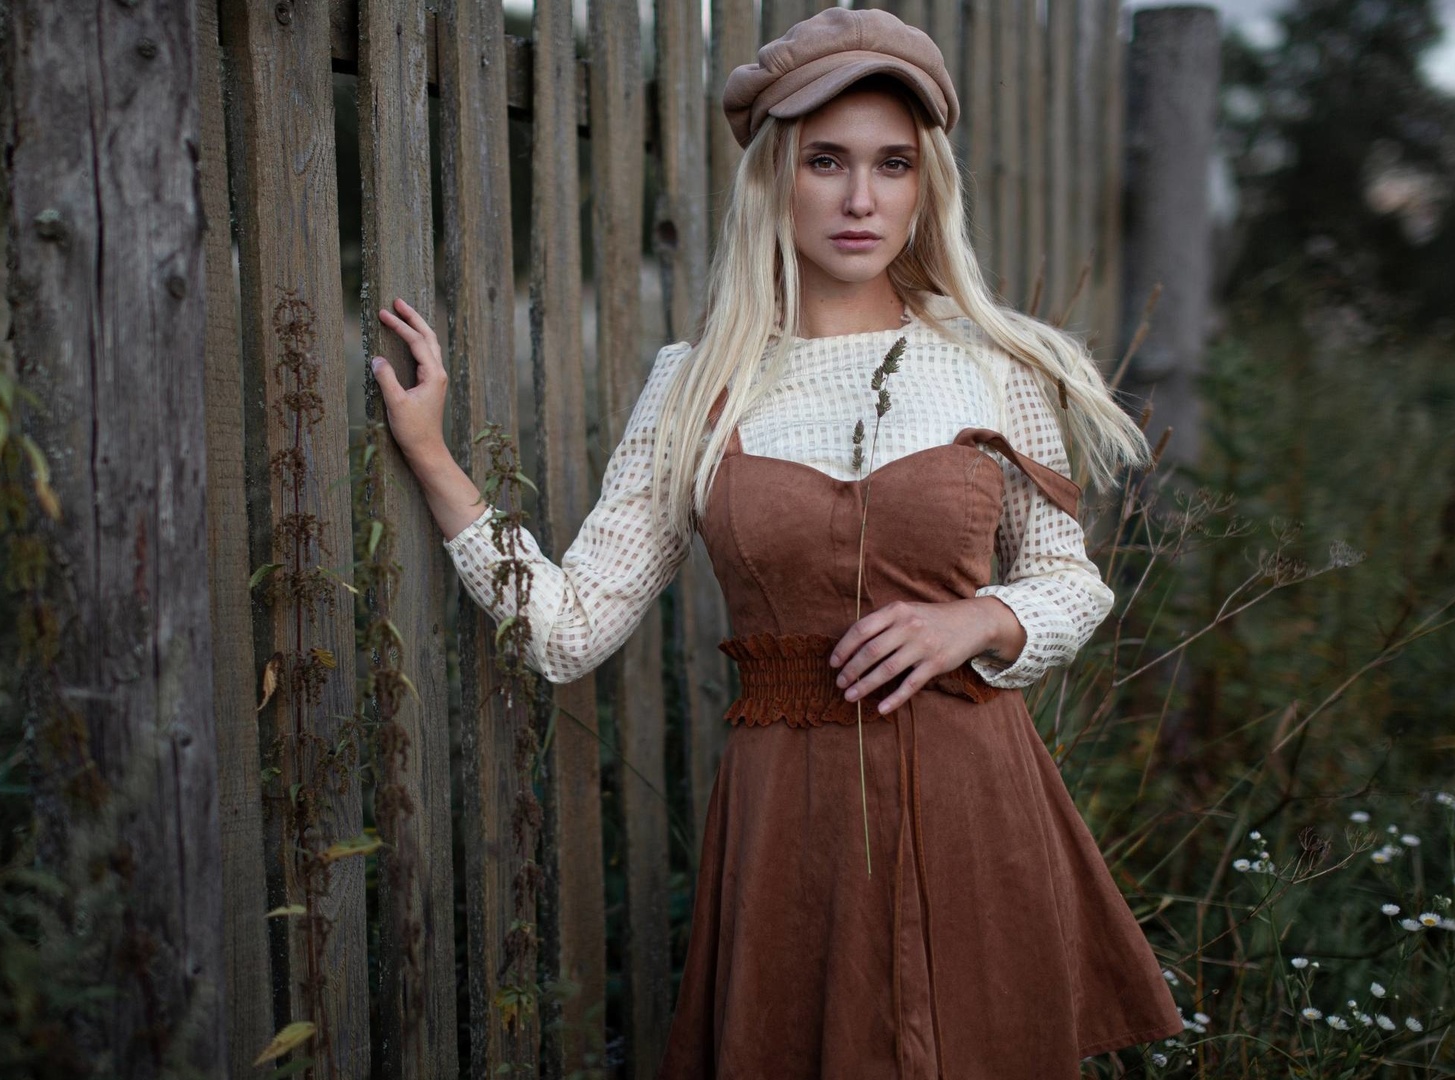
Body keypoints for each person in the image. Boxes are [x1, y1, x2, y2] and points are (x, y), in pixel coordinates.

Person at [366, 7, 1184, 1076]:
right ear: (771, 179)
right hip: (791, 826)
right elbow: (567, 632)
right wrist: (433, 459)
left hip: (978, 797)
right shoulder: (695, 386)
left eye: (893, 164)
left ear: (925, 182)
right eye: (826, 161)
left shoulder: (999, 365)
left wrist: (980, 618)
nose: (861, 199)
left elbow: (1069, 582)